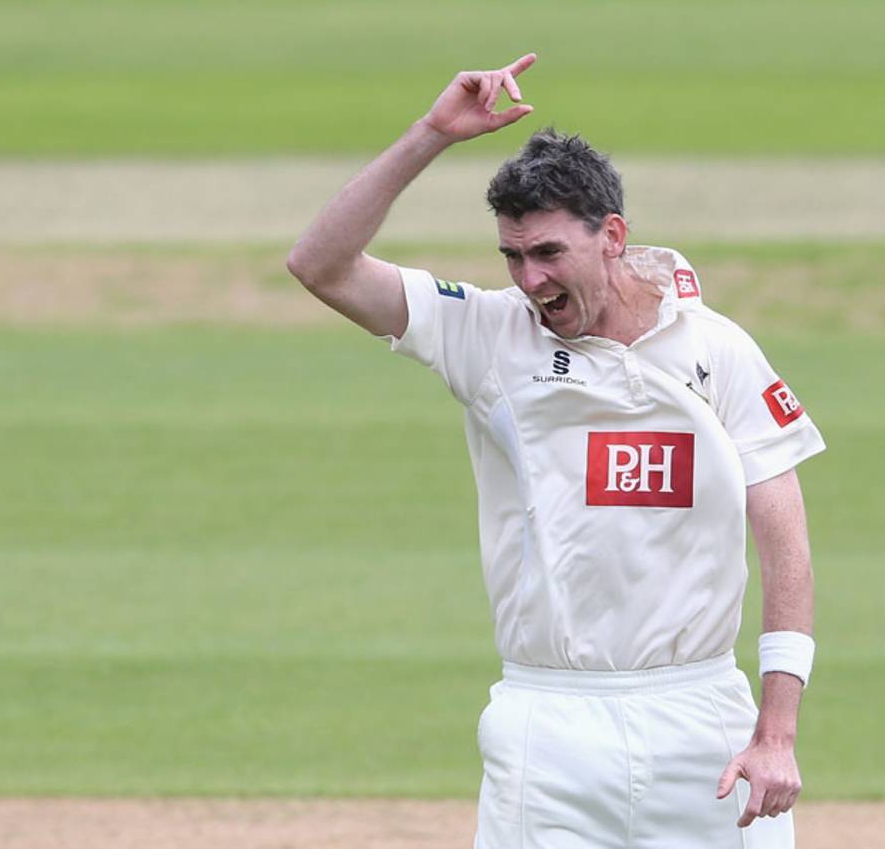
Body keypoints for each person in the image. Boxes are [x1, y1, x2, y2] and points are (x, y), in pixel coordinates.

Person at [286, 53, 825, 849]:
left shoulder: (719, 350)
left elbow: (787, 548)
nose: (529, 279)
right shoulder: (489, 336)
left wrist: (776, 731)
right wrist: (431, 135)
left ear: (611, 236)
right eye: (512, 255)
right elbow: (320, 265)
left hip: (702, 720)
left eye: (547, 253)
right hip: (547, 728)